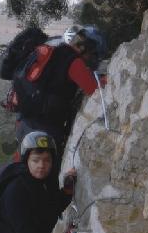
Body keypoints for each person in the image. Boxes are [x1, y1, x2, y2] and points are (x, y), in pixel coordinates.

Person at [13, 24, 103, 154]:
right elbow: (94, 90)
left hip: (24, 121)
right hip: (44, 127)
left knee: (26, 164)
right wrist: (106, 79)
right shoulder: (73, 61)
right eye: (93, 54)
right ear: (84, 48)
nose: (92, 59)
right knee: (44, 168)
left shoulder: (55, 51)